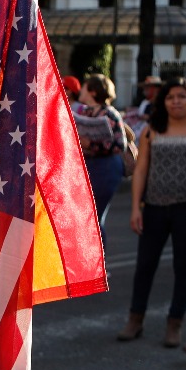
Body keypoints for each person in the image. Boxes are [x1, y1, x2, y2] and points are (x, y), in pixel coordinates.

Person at [118, 78, 186, 348]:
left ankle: (174, 324)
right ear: (163, 102)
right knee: (145, 265)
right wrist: (136, 207)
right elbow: (141, 169)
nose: (176, 101)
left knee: (183, 267)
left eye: (182, 96)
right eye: (171, 97)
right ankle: (135, 320)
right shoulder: (152, 130)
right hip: (154, 207)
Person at [76, 74, 125, 246]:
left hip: (105, 167)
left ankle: (100, 262)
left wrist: (90, 144)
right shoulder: (82, 111)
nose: (80, 89)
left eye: (84, 86)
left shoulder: (109, 113)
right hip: (87, 166)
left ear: (93, 91)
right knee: (84, 215)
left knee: (95, 216)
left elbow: (120, 145)